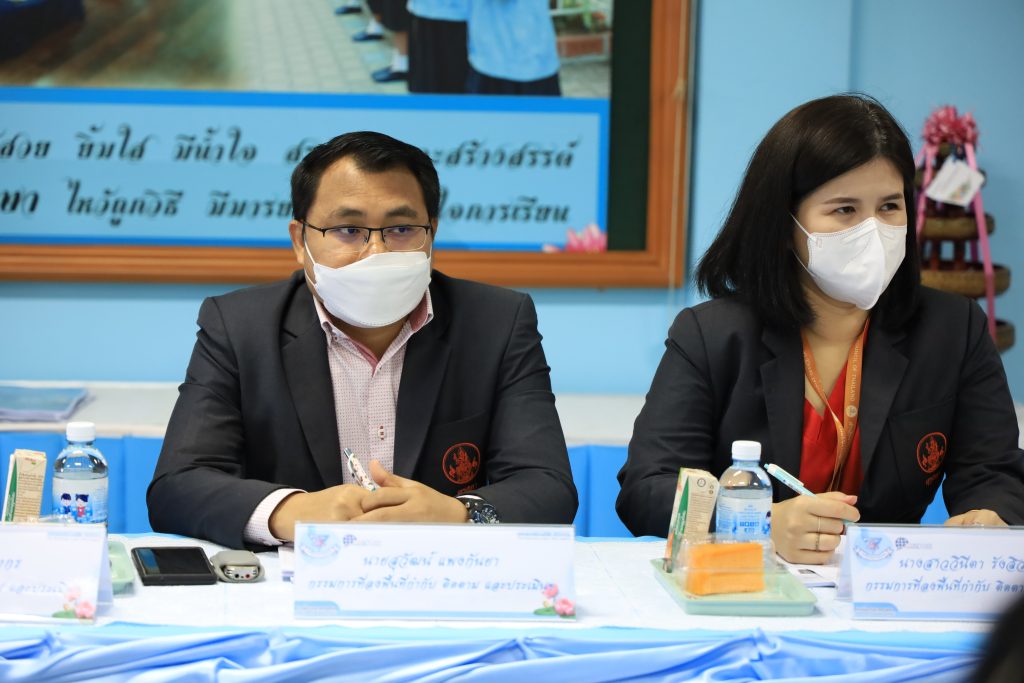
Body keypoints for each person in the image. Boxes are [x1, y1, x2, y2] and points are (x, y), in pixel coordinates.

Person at [616, 94, 1024, 564]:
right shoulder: (711, 336)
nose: (873, 230)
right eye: (844, 210)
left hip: (885, 587)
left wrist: (989, 517)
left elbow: (994, 473)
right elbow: (647, 489)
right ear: (785, 223)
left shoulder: (954, 329)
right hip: (744, 584)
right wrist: (761, 524)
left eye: (889, 206)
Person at [148, 131, 577, 549]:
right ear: (300, 241)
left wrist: (459, 515)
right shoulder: (239, 326)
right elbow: (178, 485)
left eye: (402, 229)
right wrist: (290, 512)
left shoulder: (496, 323)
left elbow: (547, 486)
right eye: (348, 230)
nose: (376, 253)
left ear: (431, 233)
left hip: (441, 573)